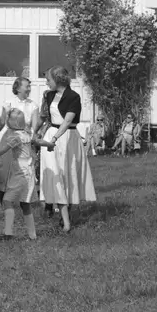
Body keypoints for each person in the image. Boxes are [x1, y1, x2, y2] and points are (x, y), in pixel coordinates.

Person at [35, 64, 96, 232]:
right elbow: (44, 116)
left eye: (48, 79)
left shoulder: (73, 97)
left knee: (67, 175)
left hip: (67, 138)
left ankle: (66, 217)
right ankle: (58, 213)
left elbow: (67, 121)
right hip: (51, 136)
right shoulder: (49, 95)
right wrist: (35, 132)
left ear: (58, 79)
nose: (46, 82)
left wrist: (55, 138)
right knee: (54, 175)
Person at [0, 110, 38, 241]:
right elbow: (38, 143)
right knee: (25, 204)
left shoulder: (16, 137)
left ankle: (8, 233)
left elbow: (3, 149)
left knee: (7, 200)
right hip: (28, 172)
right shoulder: (27, 134)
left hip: (20, 173)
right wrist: (50, 144)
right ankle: (32, 235)